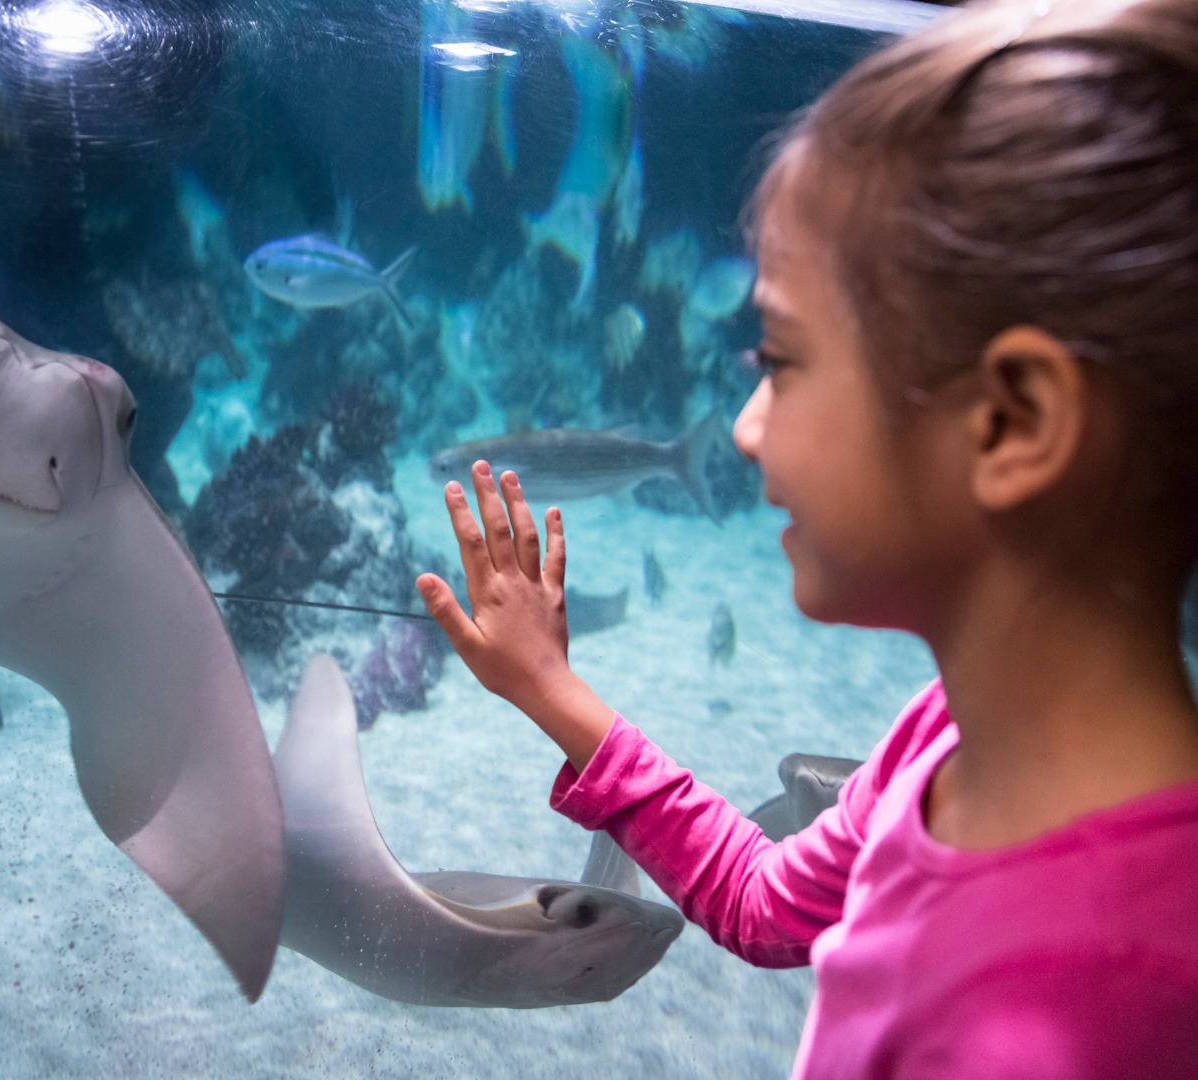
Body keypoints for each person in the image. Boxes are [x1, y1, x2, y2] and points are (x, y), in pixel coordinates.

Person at [414, 0, 1198, 1073]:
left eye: (782, 362)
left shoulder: (1093, 1009)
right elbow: (766, 905)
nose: (743, 430)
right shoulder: (949, 741)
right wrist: (550, 688)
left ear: (1013, 422)